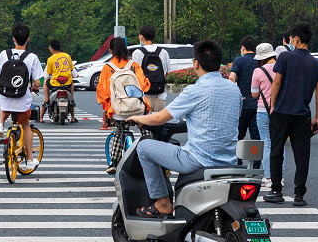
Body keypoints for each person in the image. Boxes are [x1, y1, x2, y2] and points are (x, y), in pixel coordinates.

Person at [126, 40, 241, 217]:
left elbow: (158, 118)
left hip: (197, 159)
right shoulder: (234, 90)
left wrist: (136, 117)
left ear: (196, 63)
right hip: (229, 160)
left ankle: (162, 203)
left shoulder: (195, 90)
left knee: (143, 147)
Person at [263, 22, 318, 207]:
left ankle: (276, 191)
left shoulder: (285, 58)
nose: (291, 42)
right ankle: (299, 195)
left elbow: (276, 83)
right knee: (302, 155)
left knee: (276, 151)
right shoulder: (317, 64)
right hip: (302, 114)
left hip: (281, 112)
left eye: (291, 39)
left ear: (296, 39)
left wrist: (273, 106)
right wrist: (317, 117)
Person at [0, 22, 43, 172]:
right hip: (22, 99)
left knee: (4, 104)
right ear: (28, 39)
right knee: (26, 125)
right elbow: (37, 82)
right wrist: (33, 88)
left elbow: (0, 74)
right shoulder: (32, 57)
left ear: (13, 38)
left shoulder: (4, 54)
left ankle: (0, 125)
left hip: (6, 97)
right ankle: (29, 160)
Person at [99, 37, 150, 174]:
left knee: (118, 132)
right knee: (145, 129)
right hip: (137, 108)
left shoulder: (107, 67)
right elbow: (144, 86)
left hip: (119, 110)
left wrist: (105, 104)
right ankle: (151, 154)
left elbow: (103, 92)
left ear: (111, 50)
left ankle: (114, 162)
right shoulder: (134, 65)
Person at [250, 42, 278, 187]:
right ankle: (279, 177)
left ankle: (268, 177)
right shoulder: (282, 68)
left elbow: (254, 94)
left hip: (262, 110)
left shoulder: (258, 71)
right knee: (279, 144)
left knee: (267, 143)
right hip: (280, 111)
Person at [228, 36, 261, 152]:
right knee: (256, 137)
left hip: (243, 103)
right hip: (258, 104)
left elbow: (232, 77)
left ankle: (238, 162)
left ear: (243, 48)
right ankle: (256, 164)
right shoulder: (260, 61)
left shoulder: (239, 61)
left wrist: (237, 93)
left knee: (239, 135)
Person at [131, 25, 171, 112]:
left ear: (141, 37)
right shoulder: (163, 52)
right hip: (160, 96)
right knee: (159, 123)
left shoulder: (137, 53)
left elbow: (134, 75)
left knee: (145, 123)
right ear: (154, 37)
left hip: (144, 97)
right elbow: (167, 73)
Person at [41, 39, 76, 123]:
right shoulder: (67, 56)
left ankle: (42, 113)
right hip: (67, 83)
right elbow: (71, 69)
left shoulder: (50, 59)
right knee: (72, 85)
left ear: (52, 48)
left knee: (45, 83)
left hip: (55, 84)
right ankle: (73, 117)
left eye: (49, 47)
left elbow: (48, 74)